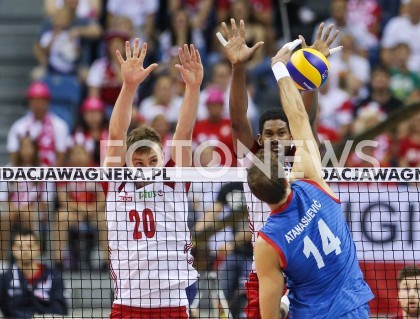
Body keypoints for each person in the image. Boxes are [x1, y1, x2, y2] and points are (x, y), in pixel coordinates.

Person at [217, 18, 339, 318]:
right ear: (260, 138)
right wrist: (238, 67)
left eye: (281, 132)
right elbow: (237, 119)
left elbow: (305, 117)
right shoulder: (253, 158)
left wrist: (314, 67)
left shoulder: (302, 156)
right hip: (269, 264)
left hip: (306, 268)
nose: (274, 139)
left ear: (290, 136)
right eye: (268, 134)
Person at [247, 40, 374, 319]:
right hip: (353, 309)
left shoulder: (267, 242)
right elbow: (300, 117)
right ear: (286, 176)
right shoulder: (311, 182)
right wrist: (279, 69)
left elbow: (268, 315)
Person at [103, 38, 202, 318]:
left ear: (162, 159)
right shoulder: (115, 183)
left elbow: (183, 134)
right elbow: (116, 135)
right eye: (138, 163)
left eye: (152, 161)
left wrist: (193, 88)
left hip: (173, 306)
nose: (146, 168)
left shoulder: (174, 181)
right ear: (127, 162)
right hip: (126, 304)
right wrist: (129, 86)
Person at [0, 228, 67, 318]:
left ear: (38, 248)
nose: (25, 251)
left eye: (30, 246)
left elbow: (60, 310)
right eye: (20, 247)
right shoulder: (4, 279)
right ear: (13, 249)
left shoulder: (54, 276)